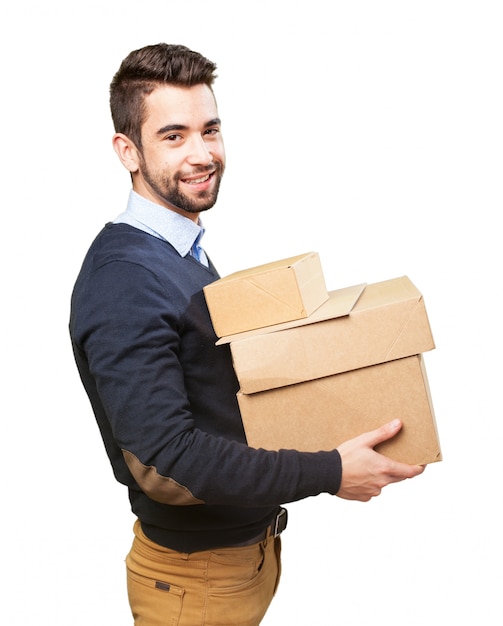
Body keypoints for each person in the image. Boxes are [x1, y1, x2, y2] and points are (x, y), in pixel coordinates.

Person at [69, 43, 425, 626]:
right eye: (174, 136)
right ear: (127, 151)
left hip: (243, 558)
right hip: (196, 580)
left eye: (210, 130)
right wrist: (330, 470)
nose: (202, 154)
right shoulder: (125, 280)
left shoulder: (177, 252)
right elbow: (167, 461)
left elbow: (217, 397)